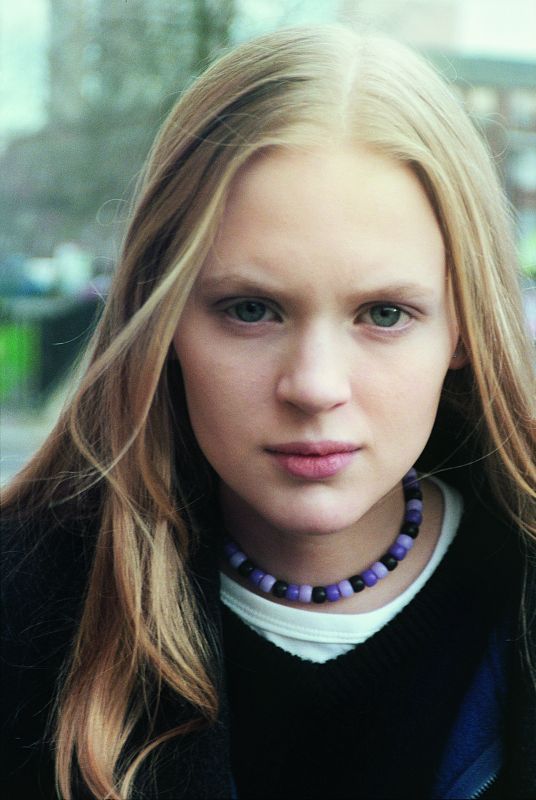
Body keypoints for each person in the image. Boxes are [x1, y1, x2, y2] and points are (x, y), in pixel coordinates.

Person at [1, 24, 535, 800]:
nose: (314, 386)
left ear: (464, 327)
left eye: (384, 314)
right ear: (163, 316)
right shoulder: (24, 607)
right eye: (251, 309)